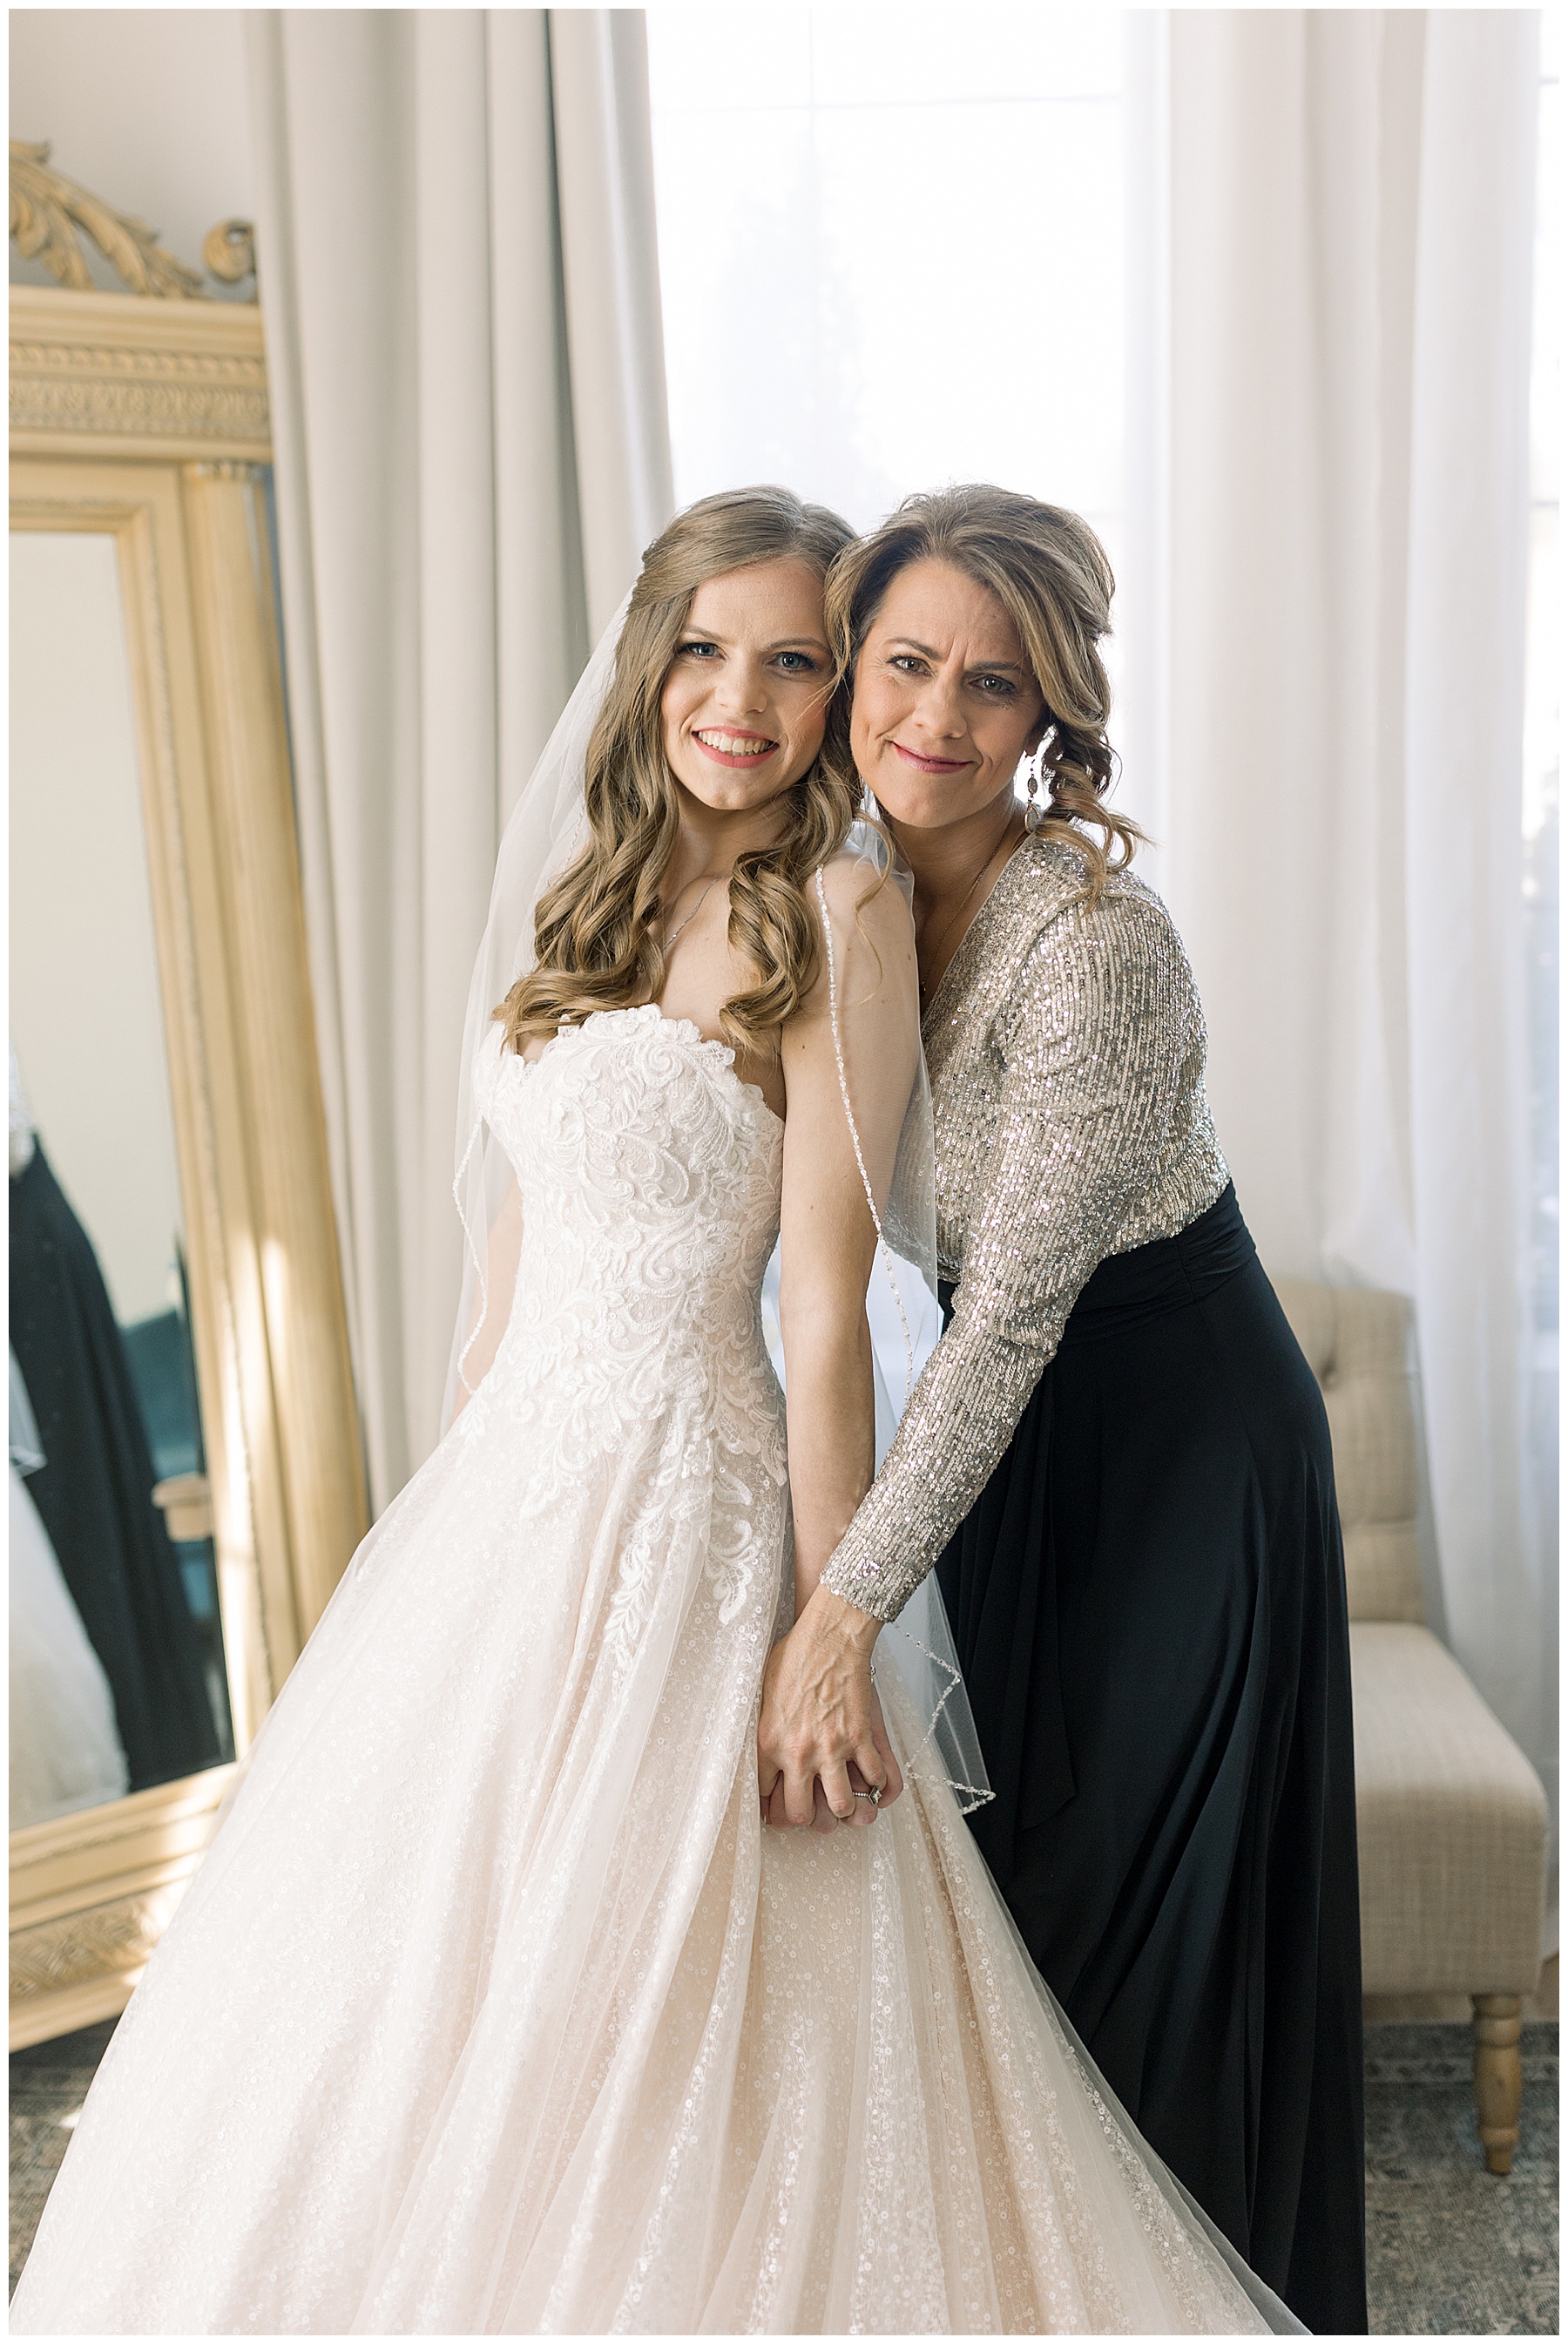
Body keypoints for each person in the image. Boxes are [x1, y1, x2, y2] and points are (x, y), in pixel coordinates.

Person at [13, 489, 1290, 2336]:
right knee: (409, 1977)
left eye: (793, 661)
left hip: (694, 1496)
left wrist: (834, 1623)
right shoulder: (592, 896)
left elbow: (829, 1315)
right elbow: (516, 1252)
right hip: (510, 1505)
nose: (740, 700)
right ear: (649, 658)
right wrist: (443, 1516)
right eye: (704, 648)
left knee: (680, 1990)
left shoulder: (841, 912)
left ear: (835, 694)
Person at [760, 485, 1367, 2336]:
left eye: (993, 683)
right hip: (1023, 1443)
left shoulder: (1093, 943)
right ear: (851, 667)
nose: (936, 718)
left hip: (1178, 1457)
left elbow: (1012, 1315)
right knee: (1015, 1942)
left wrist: (839, 1613)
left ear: (1051, 715)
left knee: (1136, 1965)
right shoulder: (858, 902)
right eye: (906, 663)